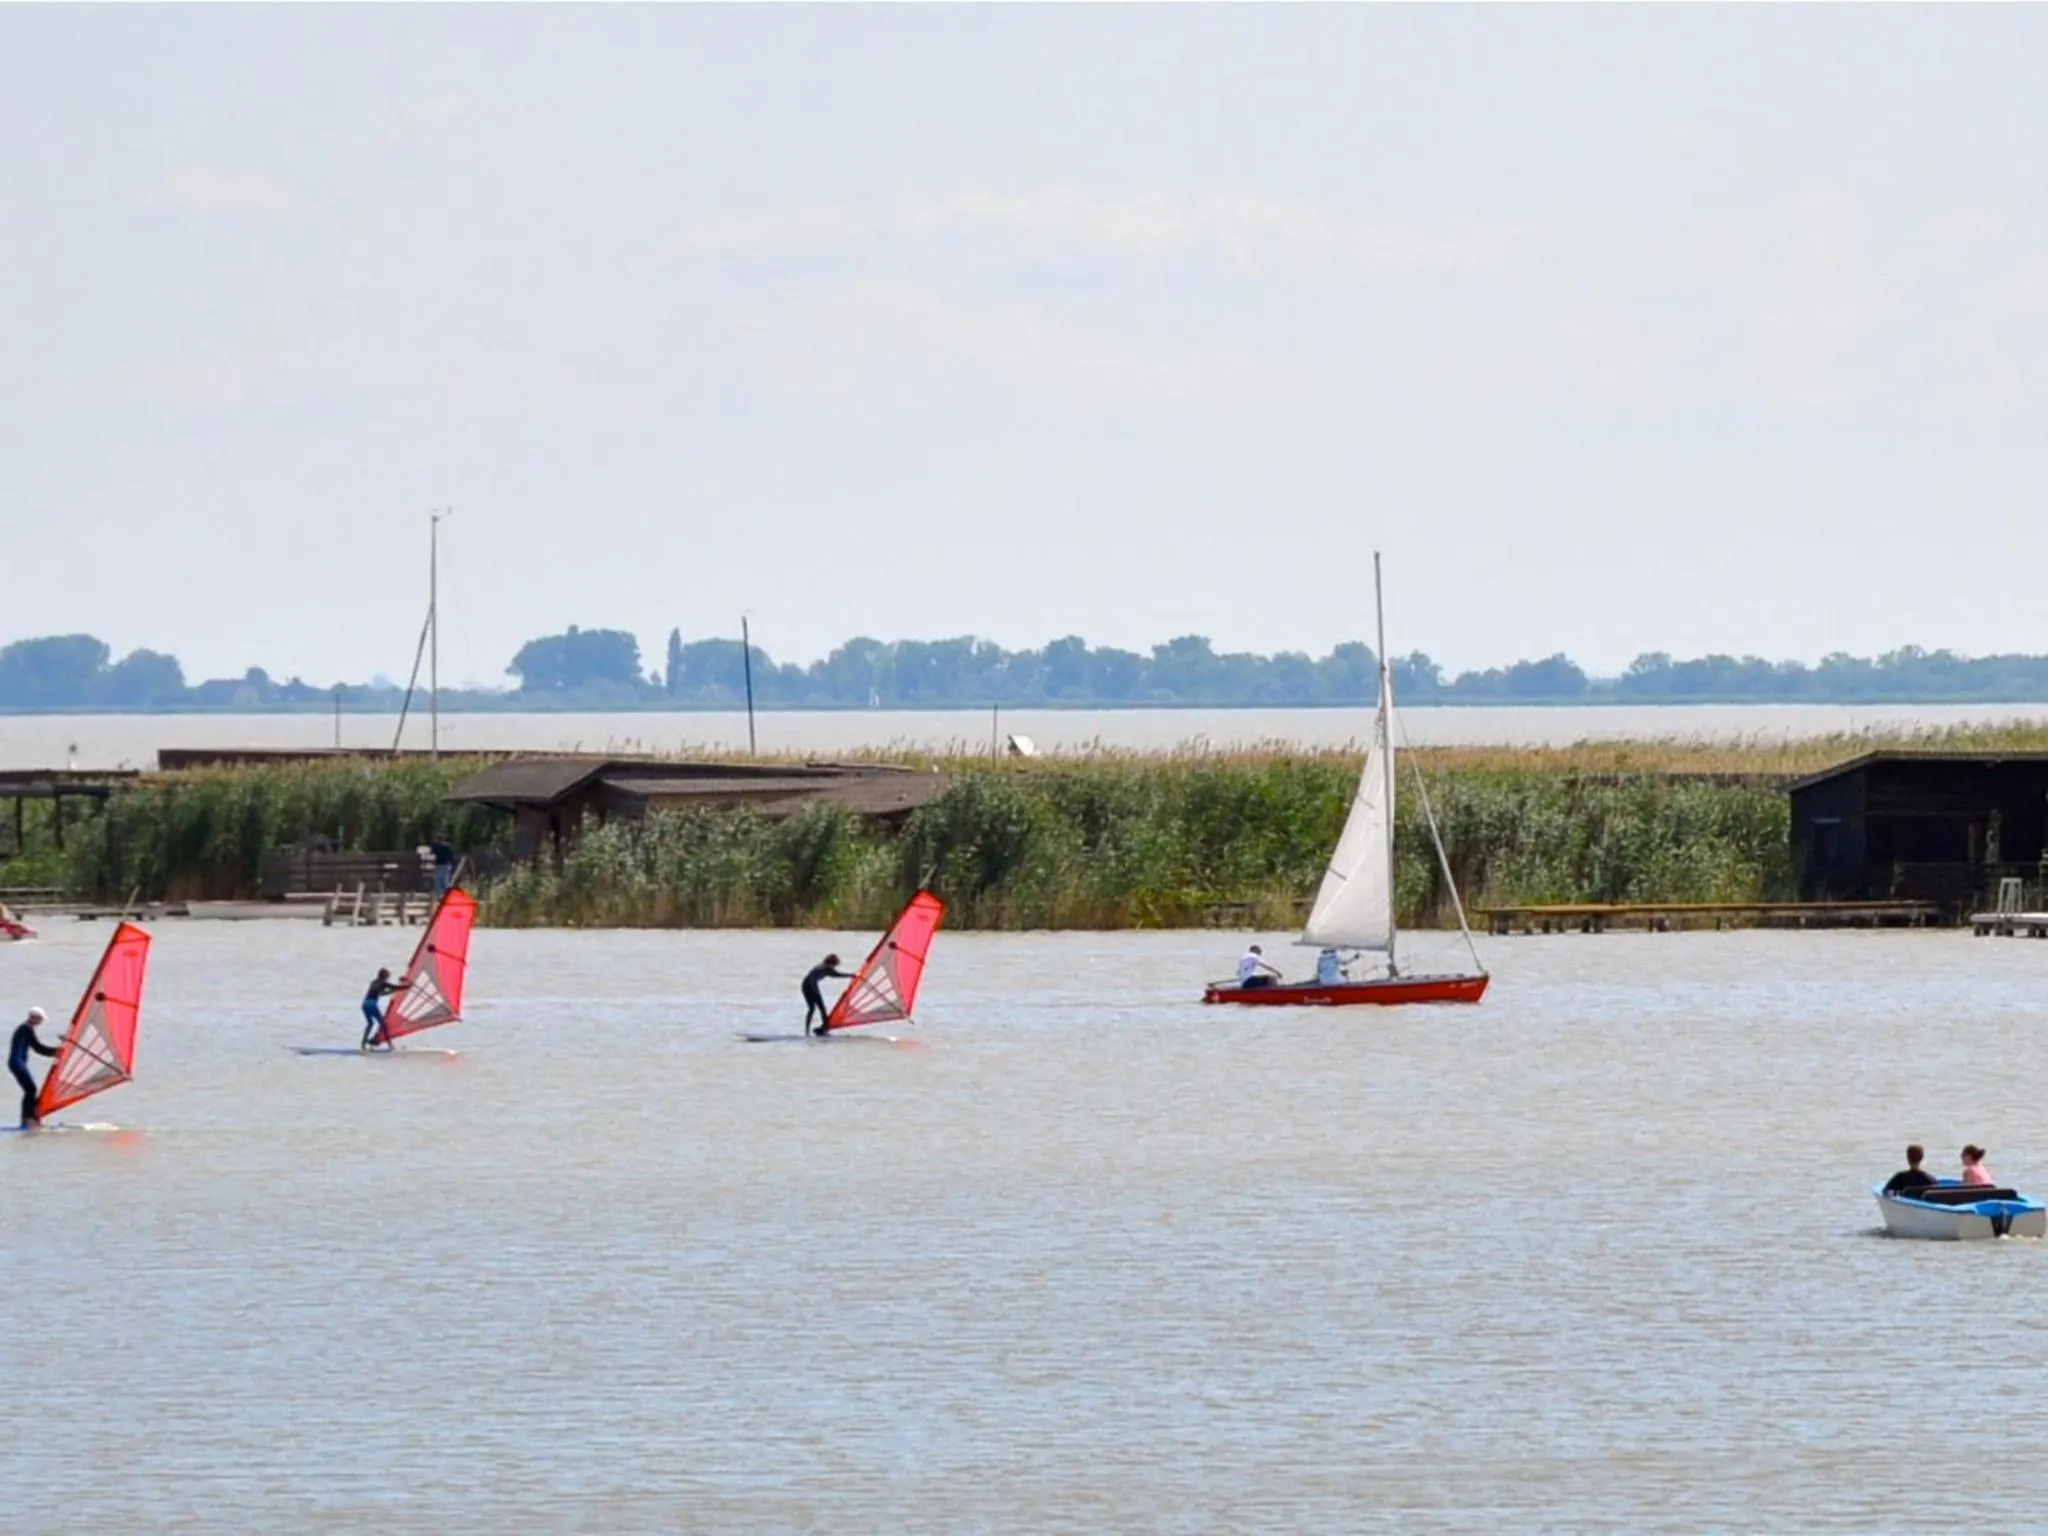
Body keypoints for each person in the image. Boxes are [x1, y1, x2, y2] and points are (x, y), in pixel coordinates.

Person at [8, 1007, 58, 1128]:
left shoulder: (24, 1029)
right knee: (31, 1090)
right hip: (17, 1063)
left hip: (17, 1063)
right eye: (40, 1019)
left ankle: (29, 1119)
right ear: (33, 1017)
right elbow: (38, 1048)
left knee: (30, 1090)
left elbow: (37, 1048)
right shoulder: (26, 1029)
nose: (40, 1022)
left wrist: (55, 1052)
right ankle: (28, 1120)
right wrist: (56, 1051)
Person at [802, 954, 853, 1036]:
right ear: (831, 963)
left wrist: (851, 975)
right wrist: (815, 991)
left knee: (817, 1009)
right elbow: (812, 977)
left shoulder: (826, 968)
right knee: (816, 1008)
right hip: (808, 987)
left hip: (808, 986)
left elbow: (835, 975)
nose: (835, 967)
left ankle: (820, 1029)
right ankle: (813, 1031)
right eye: (835, 965)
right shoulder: (823, 968)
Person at [360, 968, 409, 1051]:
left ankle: (363, 1044)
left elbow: (382, 993)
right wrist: (408, 986)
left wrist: (392, 991)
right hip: (372, 1005)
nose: (388, 978)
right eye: (387, 976)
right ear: (385, 976)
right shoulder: (383, 983)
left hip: (364, 1004)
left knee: (370, 1023)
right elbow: (396, 987)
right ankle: (391, 1046)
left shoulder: (374, 982)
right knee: (383, 1024)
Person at [428, 835, 460, 900]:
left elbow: (433, 851)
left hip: (439, 865)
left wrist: (433, 843)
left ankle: (440, 895)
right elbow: (451, 858)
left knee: (438, 881)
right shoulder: (448, 847)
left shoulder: (439, 847)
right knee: (445, 880)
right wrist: (452, 864)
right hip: (446, 865)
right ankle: (447, 894)